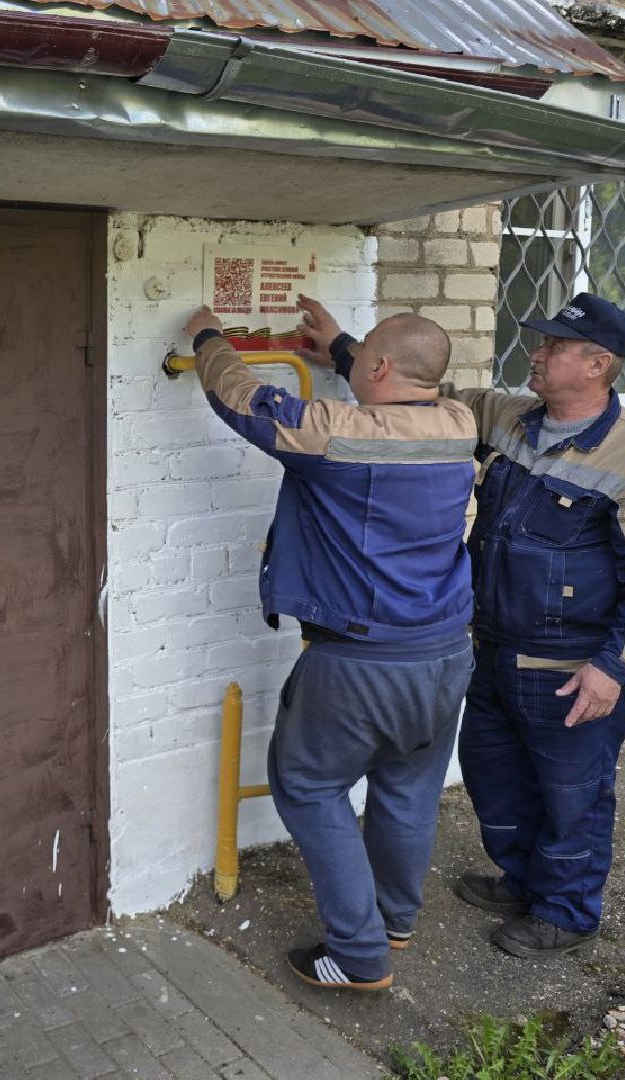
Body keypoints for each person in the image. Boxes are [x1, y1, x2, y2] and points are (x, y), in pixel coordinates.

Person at [298, 292, 625, 959]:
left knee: (573, 795)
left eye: (552, 348)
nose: (534, 355)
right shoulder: (506, 417)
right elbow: (421, 392)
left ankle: (567, 912)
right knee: (495, 777)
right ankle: (522, 881)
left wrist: (613, 666)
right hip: (489, 646)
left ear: (597, 365)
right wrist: (344, 347)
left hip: (571, 665)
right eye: (538, 343)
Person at [183, 304, 477, 990]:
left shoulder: (337, 432)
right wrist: (342, 345)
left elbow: (243, 399)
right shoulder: (459, 424)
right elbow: (398, 382)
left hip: (360, 661)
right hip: (444, 652)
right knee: (407, 787)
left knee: (309, 785)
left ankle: (358, 955)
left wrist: (205, 335)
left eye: (363, 360)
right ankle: (393, 922)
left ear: (377, 368)